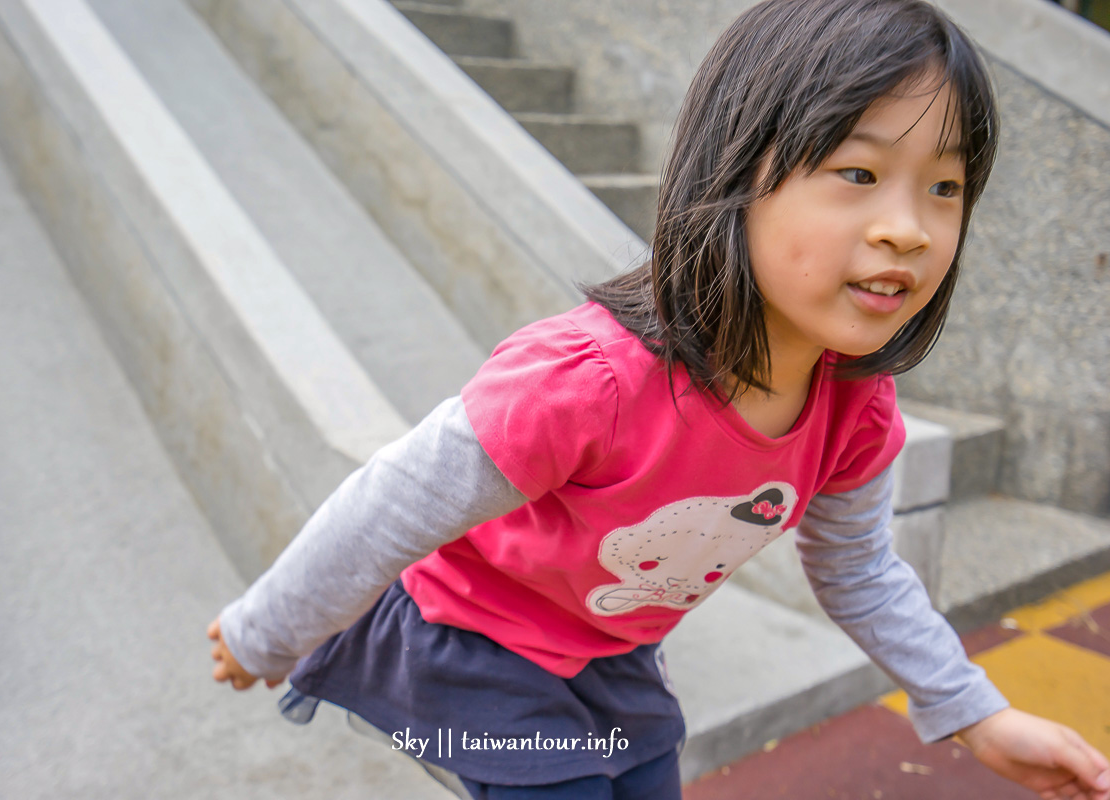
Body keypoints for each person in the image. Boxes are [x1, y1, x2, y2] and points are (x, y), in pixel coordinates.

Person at [207, 1, 1110, 797]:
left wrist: (974, 712)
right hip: (468, 647)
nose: (908, 228)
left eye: (945, 188)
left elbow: (861, 570)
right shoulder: (587, 383)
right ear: (735, 173)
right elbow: (392, 505)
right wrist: (264, 632)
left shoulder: (856, 411)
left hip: (612, 658)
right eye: (860, 174)